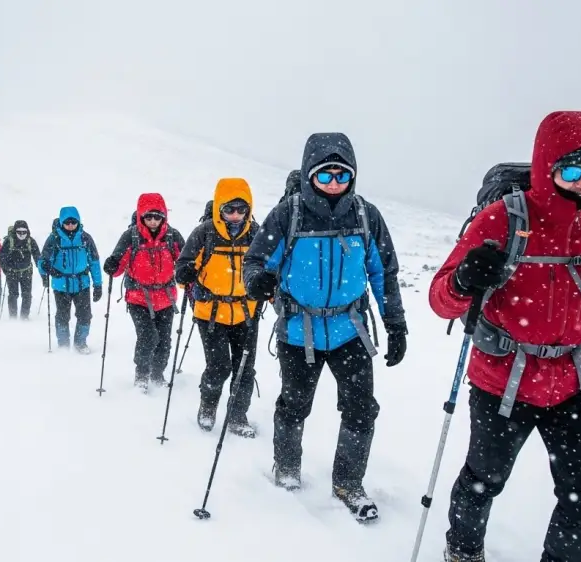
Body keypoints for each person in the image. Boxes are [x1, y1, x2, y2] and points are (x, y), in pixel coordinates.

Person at [427, 110, 581, 562]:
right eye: (572, 170)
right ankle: (462, 551)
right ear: (546, 166)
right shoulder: (503, 220)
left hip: (574, 384)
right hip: (502, 380)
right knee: (483, 479)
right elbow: (441, 300)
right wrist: (464, 279)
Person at [242, 133, 408, 522]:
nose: (334, 183)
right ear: (308, 174)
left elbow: (384, 273)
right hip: (298, 331)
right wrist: (256, 281)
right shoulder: (289, 213)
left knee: (361, 409)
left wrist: (395, 323)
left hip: (351, 331)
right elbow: (257, 260)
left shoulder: (367, 215)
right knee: (295, 404)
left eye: (342, 175)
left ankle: (348, 483)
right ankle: (286, 469)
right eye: (325, 175)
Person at [175, 178, 261, 438]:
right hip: (210, 313)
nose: (235, 215)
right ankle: (208, 407)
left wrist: (271, 292)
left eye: (240, 209)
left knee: (245, 368)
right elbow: (181, 270)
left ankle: (237, 416)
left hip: (247, 313)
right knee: (219, 365)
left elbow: (270, 269)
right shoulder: (205, 233)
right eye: (229, 209)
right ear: (219, 209)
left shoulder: (256, 234)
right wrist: (187, 274)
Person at [103, 193, 185, 391]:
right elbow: (118, 266)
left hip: (166, 299)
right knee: (148, 336)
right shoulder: (131, 236)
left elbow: (184, 262)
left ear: (164, 217)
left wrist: (189, 276)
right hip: (138, 298)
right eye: (148, 217)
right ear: (141, 217)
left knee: (164, 341)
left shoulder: (172, 235)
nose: (153, 221)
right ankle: (141, 375)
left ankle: (157, 374)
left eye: (157, 217)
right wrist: (112, 265)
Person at [37, 207, 103, 353]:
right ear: (61, 222)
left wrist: (98, 285)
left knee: (85, 315)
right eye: (67, 222)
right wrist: (48, 269)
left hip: (82, 284)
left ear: (78, 222)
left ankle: (80, 343)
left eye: (74, 222)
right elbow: (42, 262)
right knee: (62, 315)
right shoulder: (54, 239)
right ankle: (63, 344)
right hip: (61, 285)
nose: (71, 225)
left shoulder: (86, 238)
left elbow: (94, 262)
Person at [0, 220, 41, 320]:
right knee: (13, 295)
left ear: (27, 231)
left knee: (27, 295)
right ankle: (13, 317)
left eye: (24, 232)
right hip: (12, 273)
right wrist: (6, 270)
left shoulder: (31, 241)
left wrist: (43, 271)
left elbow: (38, 257)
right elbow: (1, 257)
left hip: (26, 272)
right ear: (15, 231)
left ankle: (24, 317)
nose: (22, 234)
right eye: (19, 232)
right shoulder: (9, 241)